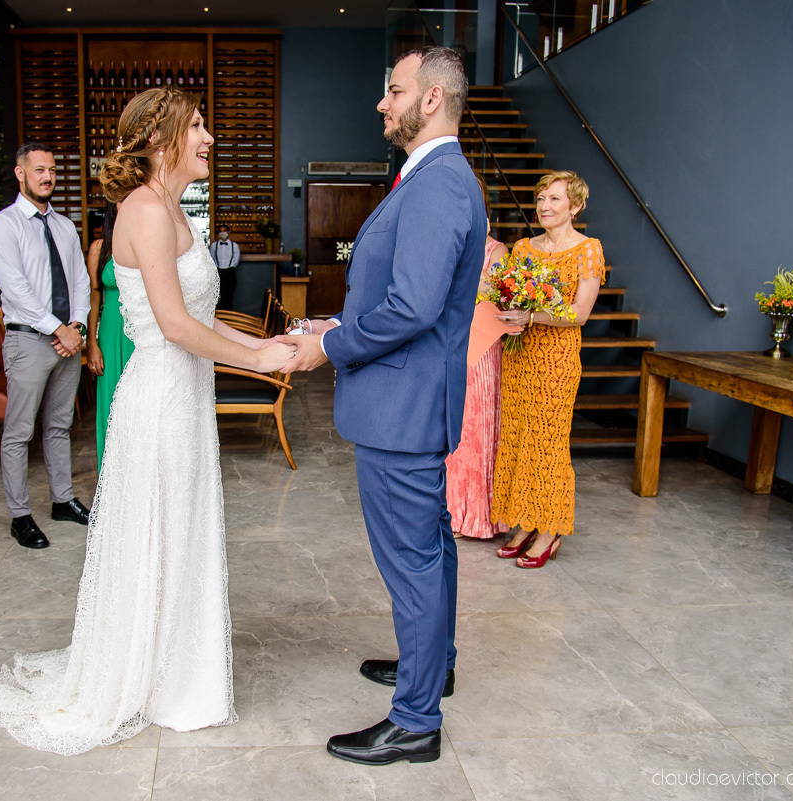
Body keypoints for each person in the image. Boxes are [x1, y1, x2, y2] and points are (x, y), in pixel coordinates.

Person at [0, 86, 297, 756]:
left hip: (185, 394)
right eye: (196, 126)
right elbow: (174, 326)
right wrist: (261, 353)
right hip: (162, 397)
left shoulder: (172, 208)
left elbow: (195, 319)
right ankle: (155, 677)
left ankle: (175, 669)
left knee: (180, 530)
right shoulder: (143, 210)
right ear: (158, 139)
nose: (208, 137)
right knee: (161, 530)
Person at [280, 47, 483, 765]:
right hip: (410, 398)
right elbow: (404, 301)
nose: (381, 102)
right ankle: (434, 665)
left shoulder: (437, 184)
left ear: (431, 99)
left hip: (401, 408)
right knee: (430, 548)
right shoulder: (433, 177)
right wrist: (334, 325)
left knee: (413, 562)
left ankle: (416, 719)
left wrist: (329, 348)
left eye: (392, 90)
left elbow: (412, 306)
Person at [0, 142, 92, 550]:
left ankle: (62, 500)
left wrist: (77, 326)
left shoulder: (64, 226)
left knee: (60, 426)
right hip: (30, 342)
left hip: (67, 341)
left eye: (52, 170)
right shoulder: (4, 226)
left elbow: (80, 280)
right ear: (20, 173)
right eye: (39, 170)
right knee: (18, 433)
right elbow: (17, 291)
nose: (47, 177)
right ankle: (20, 516)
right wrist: (59, 330)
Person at [491, 170, 604, 568]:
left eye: (555, 199)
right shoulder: (523, 249)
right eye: (541, 199)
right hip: (519, 356)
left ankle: (550, 529)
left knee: (548, 444)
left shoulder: (588, 250)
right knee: (519, 438)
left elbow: (580, 313)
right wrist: (509, 313)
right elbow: (506, 297)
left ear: (575, 205)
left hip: (556, 360)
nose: (545, 207)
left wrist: (532, 315)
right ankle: (525, 521)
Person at [445, 175, 511, 539]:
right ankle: (450, 510)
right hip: (452, 345)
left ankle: (477, 514)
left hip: (483, 350)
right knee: (454, 428)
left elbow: (501, 301)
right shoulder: (452, 245)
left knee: (478, 428)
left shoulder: (495, 251)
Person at [84, 201, 135, 472]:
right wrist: (91, 342)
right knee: (111, 406)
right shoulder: (98, 248)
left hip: (143, 330)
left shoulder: (147, 242)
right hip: (111, 330)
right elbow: (94, 297)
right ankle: (111, 479)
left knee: (140, 404)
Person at [208, 222, 240, 310]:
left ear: (229, 232)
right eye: (220, 231)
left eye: (224, 231)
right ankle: (222, 317)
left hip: (230, 272)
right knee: (220, 296)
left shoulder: (235, 246)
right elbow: (212, 258)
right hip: (219, 272)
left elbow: (236, 260)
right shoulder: (214, 246)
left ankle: (229, 316)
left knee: (229, 296)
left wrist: (230, 268)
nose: (222, 233)